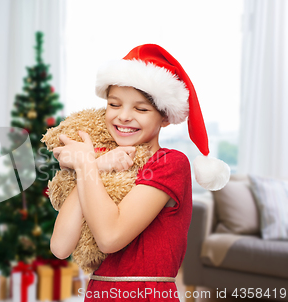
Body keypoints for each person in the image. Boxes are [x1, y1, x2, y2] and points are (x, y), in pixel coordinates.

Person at [49, 44, 230, 301]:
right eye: (114, 104)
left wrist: (86, 164)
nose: (123, 116)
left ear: (165, 117)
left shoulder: (170, 163)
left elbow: (110, 238)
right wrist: (95, 166)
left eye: (141, 109)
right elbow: (59, 247)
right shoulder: (99, 165)